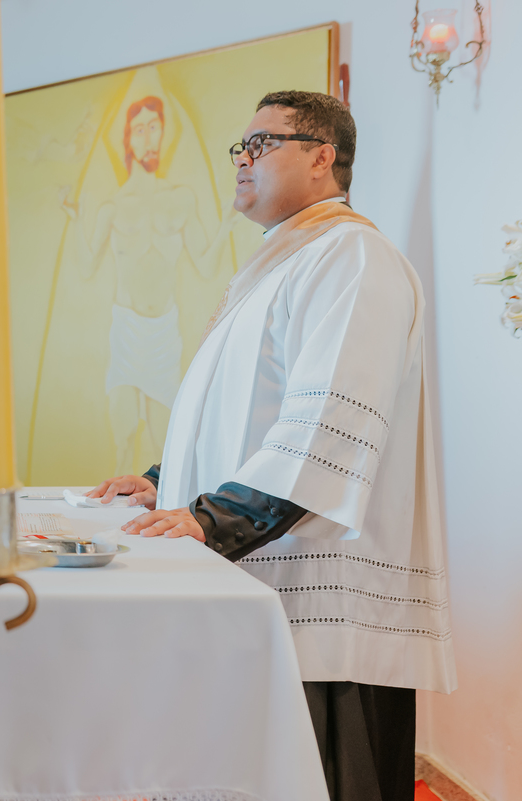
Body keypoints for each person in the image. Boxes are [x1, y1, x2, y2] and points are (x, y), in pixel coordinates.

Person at [88, 91, 455, 801]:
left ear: (323, 157)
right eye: (241, 147)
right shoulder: (284, 261)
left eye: (262, 144)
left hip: (313, 585)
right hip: (263, 570)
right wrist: (168, 484)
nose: (242, 160)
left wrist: (211, 517)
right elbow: (249, 413)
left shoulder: (352, 257)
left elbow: (328, 424)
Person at [64, 95, 237, 475]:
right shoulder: (112, 207)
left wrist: (226, 223)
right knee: (122, 438)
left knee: (165, 440)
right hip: (126, 331)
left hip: (163, 335)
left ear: (163, 135)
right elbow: (88, 263)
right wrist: (76, 221)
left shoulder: (181, 201)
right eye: (139, 130)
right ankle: (110, 521)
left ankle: (162, 522)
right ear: (128, 140)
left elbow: (207, 266)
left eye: (154, 127)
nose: (147, 138)